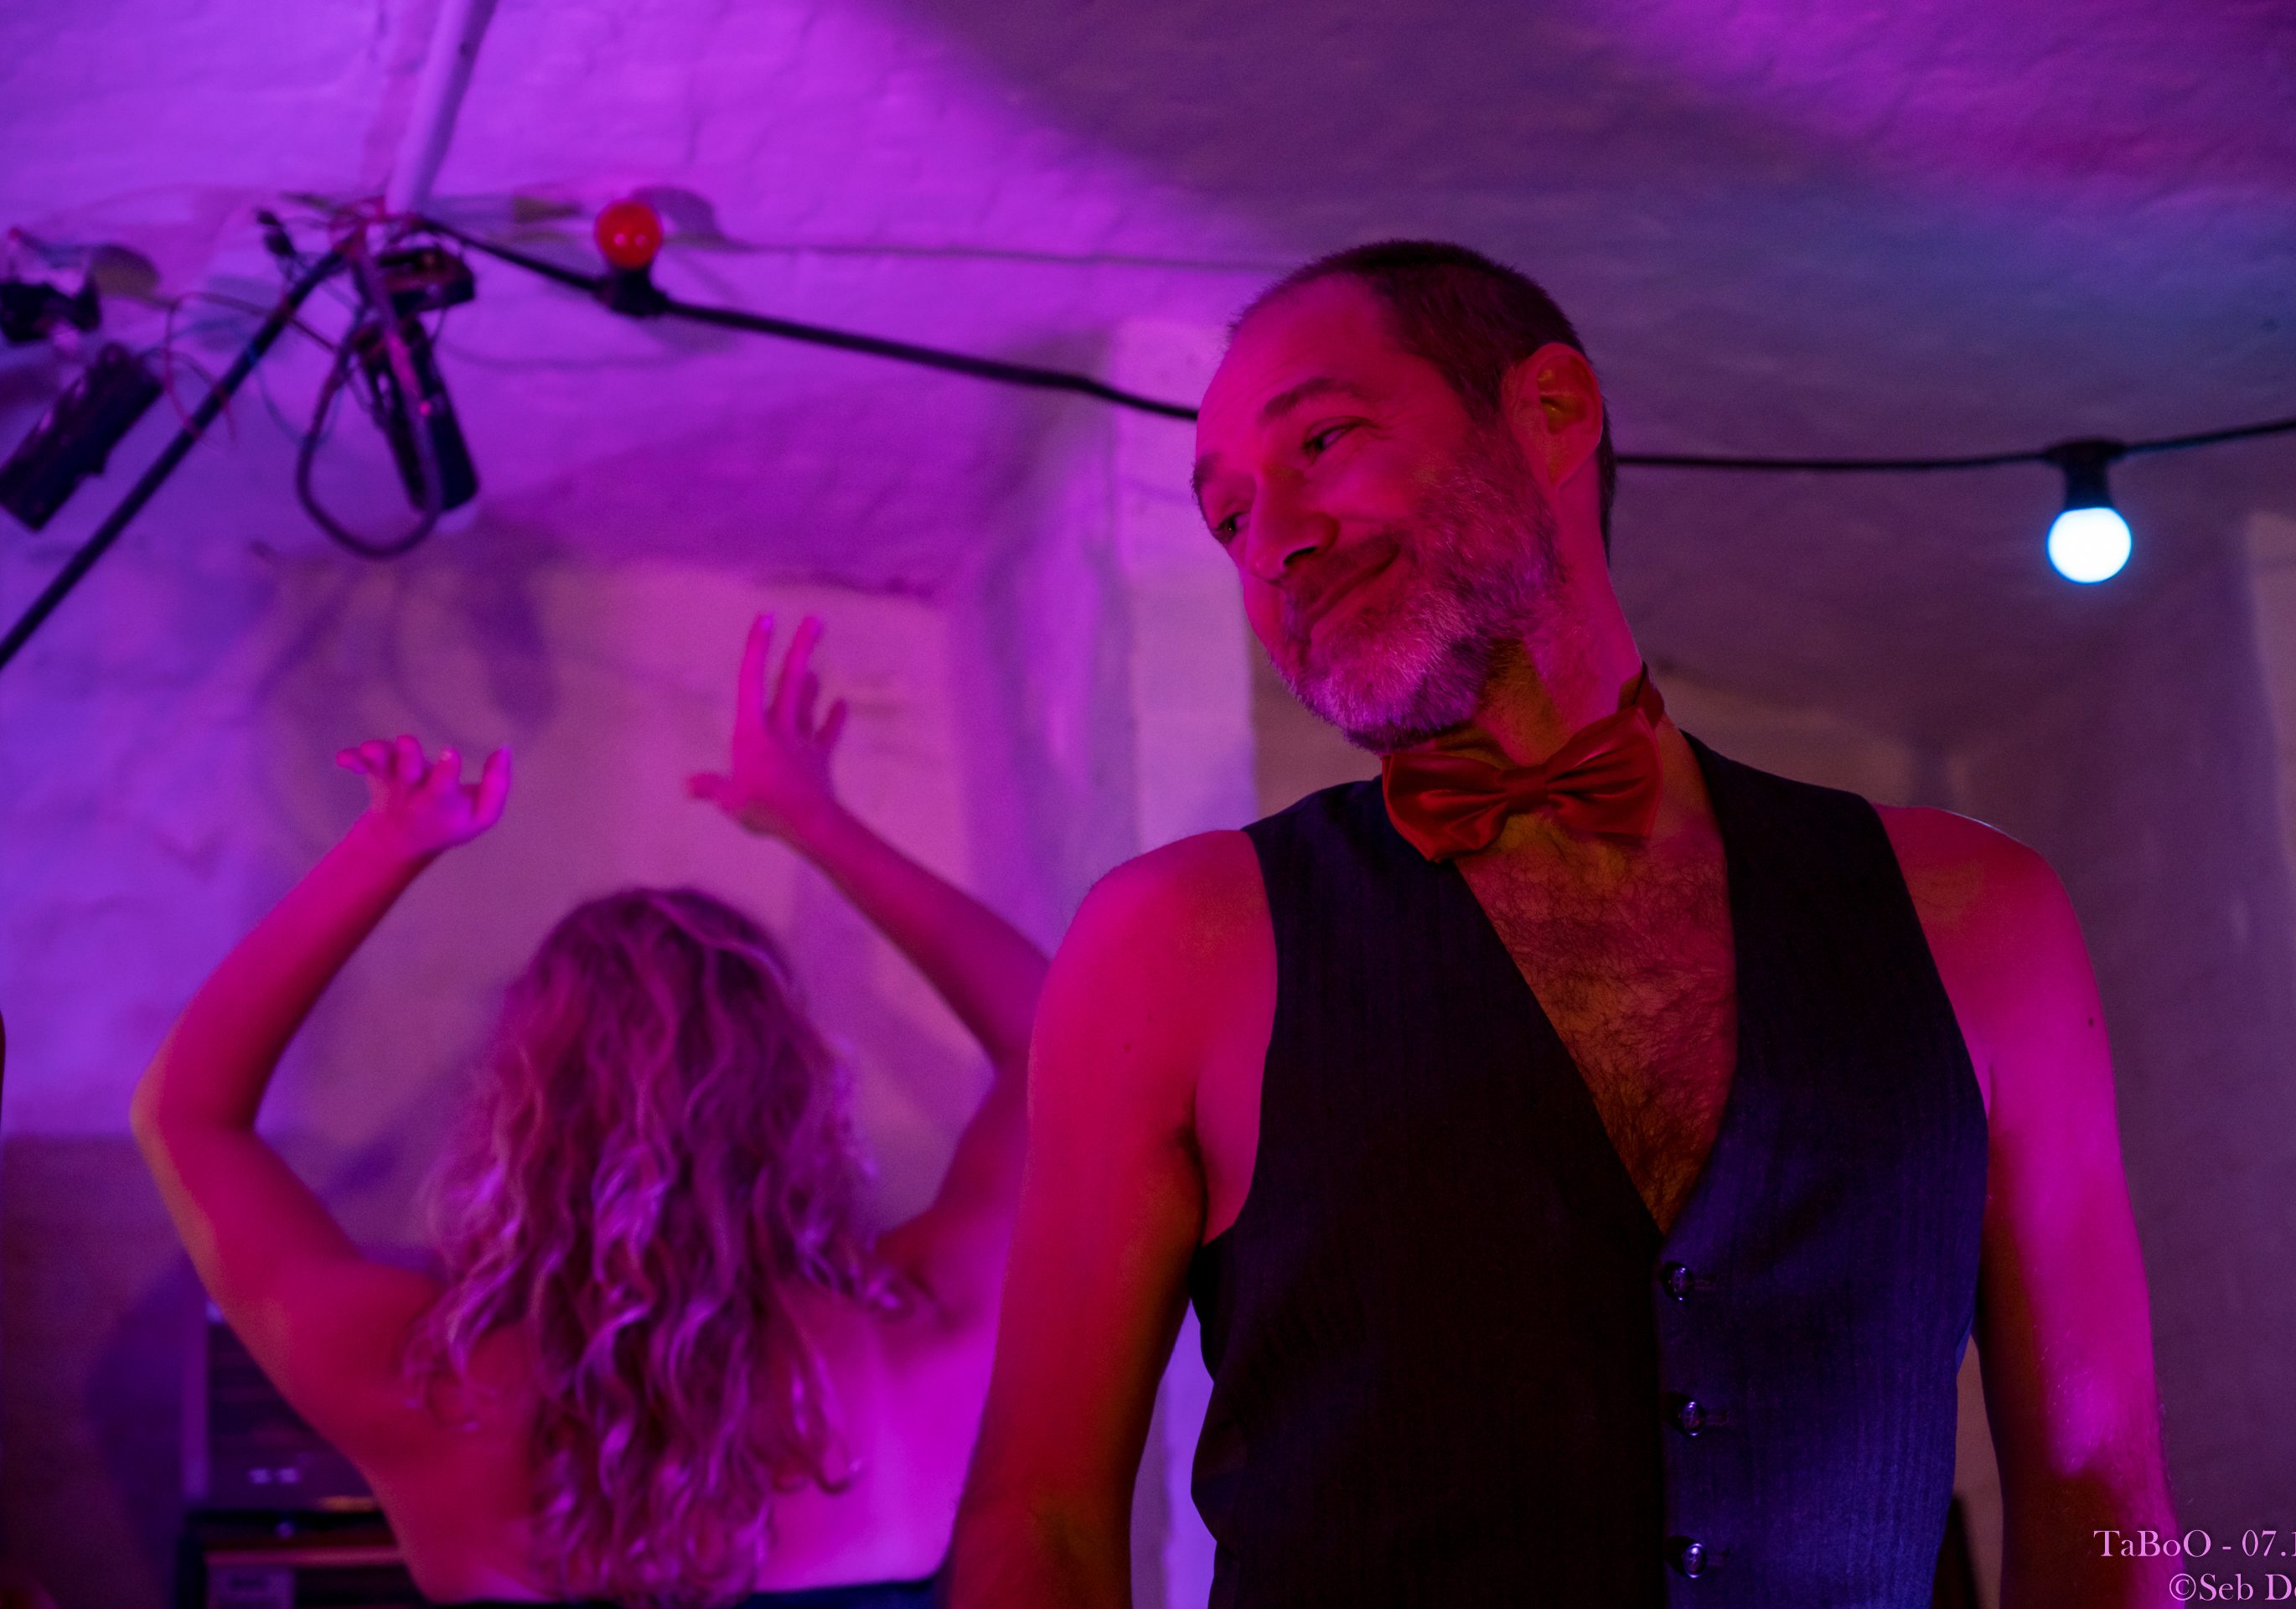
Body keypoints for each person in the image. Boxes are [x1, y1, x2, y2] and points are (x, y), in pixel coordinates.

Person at [949, 242, 2177, 1606]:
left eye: (1323, 441)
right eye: (1227, 518)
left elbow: (2097, 1491)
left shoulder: (1980, 919)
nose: (1272, 543)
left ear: (1549, 412)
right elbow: (1040, 1524)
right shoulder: (1170, 945)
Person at [133, 615, 1044, 1608]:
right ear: (794, 1097)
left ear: (522, 1115)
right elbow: (1057, 1043)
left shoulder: (425, 1381)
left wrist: (388, 846)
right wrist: (816, 824)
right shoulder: (914, 1338)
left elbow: (188, 1116)